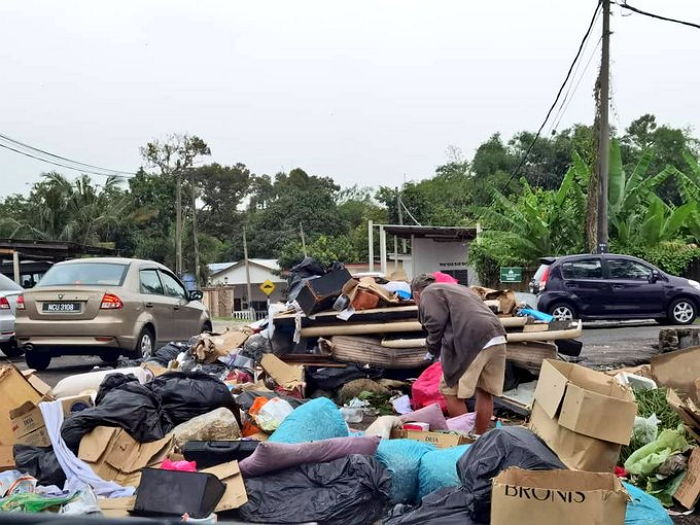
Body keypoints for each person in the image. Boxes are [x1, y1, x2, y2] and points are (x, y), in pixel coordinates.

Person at [411, 273, 506, 435]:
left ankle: (464, 440)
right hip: (497, 337)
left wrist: (431, 349)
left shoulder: (428, 293)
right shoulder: (458, 289)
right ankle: (480, 439)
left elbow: (434, 322)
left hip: (474, 340)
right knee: (484, 391)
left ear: (416, 294)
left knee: (450, 390)